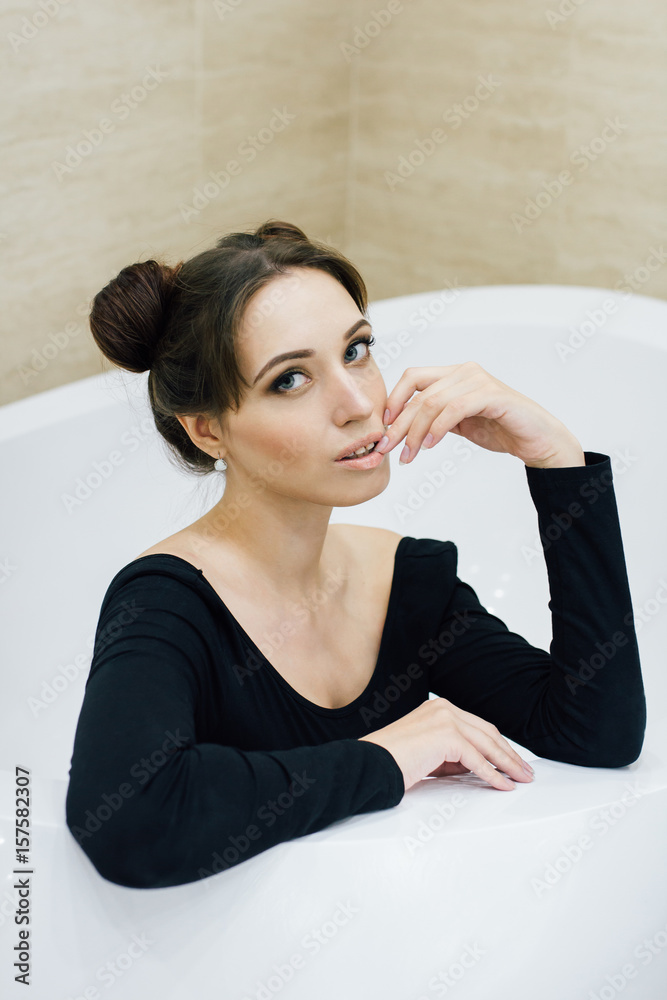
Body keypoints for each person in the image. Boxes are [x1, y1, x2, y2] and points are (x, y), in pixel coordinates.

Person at [65, 219, 646, 889]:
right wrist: (387, 756)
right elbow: (130, 819)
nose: (356, 403)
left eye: (357, 350)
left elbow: (593, 730)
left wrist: (556, 461)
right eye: (290, 380)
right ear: (207, 430)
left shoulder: (401, 581)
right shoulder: (169, 605)